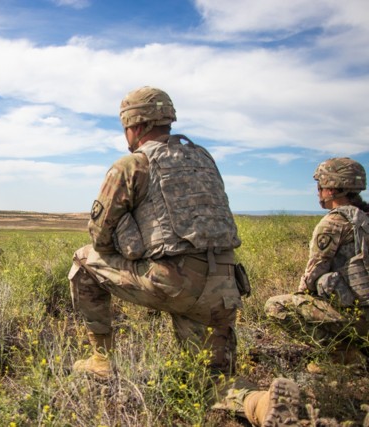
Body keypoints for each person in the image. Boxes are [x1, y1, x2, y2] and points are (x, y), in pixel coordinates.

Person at [68, 86, 300, 426]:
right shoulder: (203, 158)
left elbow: (100, 234)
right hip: (224, 286)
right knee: (210, 378)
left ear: (134, 124)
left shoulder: (132, 165)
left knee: (82, 261)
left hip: (172, 282)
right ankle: (261, 404)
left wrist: (132, 245)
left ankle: (101, 359)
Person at [265, 158, 369, 364]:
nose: (318, 191)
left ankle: (343, 354)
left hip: (360, 320)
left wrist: (303, 300)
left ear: (331, 189)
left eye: (320, 186)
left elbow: (312, 276)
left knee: (275, 306)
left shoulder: (334, 222)